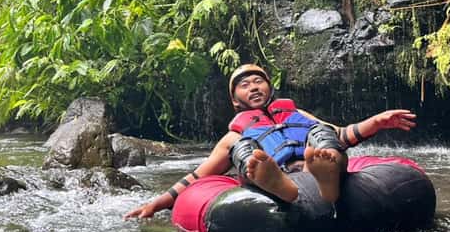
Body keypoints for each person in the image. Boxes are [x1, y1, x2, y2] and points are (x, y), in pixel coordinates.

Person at [123, 64, 416, 221]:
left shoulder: (296, 113)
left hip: (315, 166)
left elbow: (341, 135)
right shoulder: (234, 135)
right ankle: (277, 183)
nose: (253, 86)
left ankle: (328, 177)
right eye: (244, 84)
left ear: (270, 87)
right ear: (235, 99)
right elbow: (198, 177)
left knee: (320, 135)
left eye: (258, 81)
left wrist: (376, 122)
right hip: (280, 177)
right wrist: (158, 202)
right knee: (245, 152)